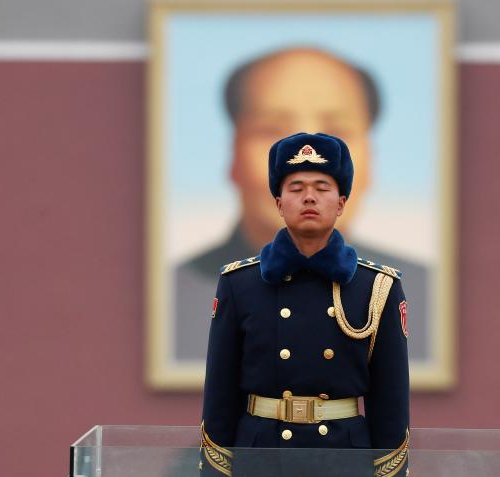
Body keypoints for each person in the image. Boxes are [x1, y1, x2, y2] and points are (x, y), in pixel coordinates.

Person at [199, 132, 410, 477]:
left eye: (321, 187)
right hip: (261, 466)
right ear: (279, 203)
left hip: (343, 467)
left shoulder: (376, 287)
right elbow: (219, 395)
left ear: (341, 201)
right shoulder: (240, 284)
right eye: (295, 188)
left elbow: (390, 402)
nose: (309, 197)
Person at [174, 47, 430, 365]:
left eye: (338, 132)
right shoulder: (202, 290)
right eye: (270, 130)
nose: (308, 166)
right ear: (234, 155)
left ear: (371, 161)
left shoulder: (396, 289)